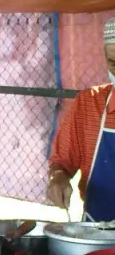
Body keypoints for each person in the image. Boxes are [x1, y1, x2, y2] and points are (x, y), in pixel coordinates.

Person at [47, 17, 115, 222]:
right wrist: (57, 178)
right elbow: (61, 163)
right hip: (96, 234)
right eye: (113, 62)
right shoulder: (89, 104)